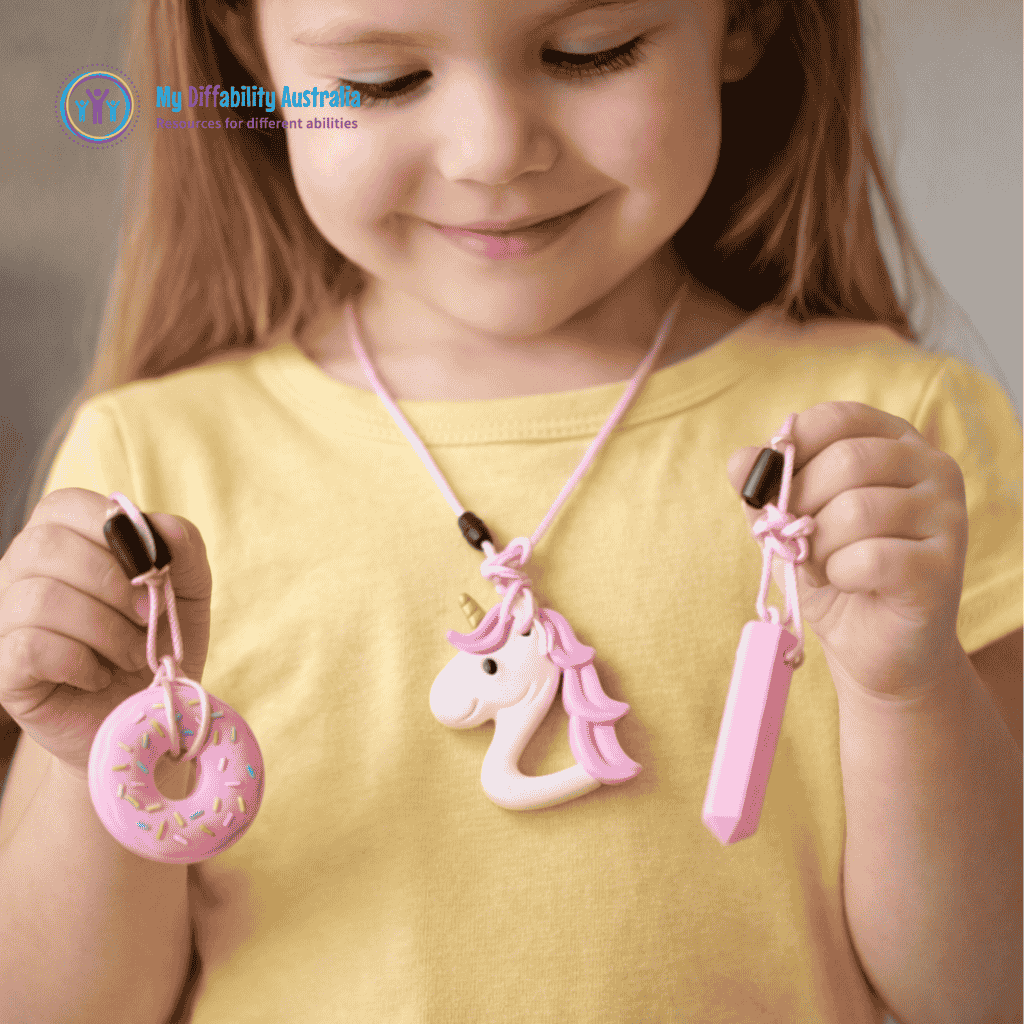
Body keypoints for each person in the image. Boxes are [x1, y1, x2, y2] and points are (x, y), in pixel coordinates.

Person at [1, 0, 1020, 1022]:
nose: (492, 153)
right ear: (244, 50)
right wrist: (96, 756)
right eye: (382, 81)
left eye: (592, 52)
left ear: (745, 19)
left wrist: (907, 691)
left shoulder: (889, 448)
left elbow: (988, 988)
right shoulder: (152, 465)